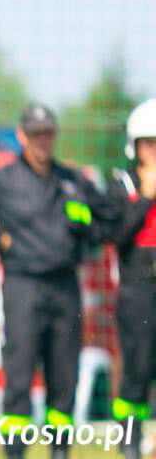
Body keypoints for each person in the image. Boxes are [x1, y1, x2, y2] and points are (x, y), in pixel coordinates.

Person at [0, 103, 119, 459]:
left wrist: (87, 231)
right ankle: (15, 452)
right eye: (36, 134)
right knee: (20, 375)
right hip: (23, 287)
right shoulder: (4, 181)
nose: (43, 140)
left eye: (48, 133)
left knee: (65, 377)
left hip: (65, 287)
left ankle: (60, 451)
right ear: (23, 136)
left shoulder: (72, 180)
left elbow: (111, 219)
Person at [107, 99, 156, 459]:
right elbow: (118, 235)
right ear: (135, 146)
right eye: (148, 143)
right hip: (138, 288)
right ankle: (129, 443)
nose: (154, 150)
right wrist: (146, 198)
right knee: (136, 370)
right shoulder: (122, 185)